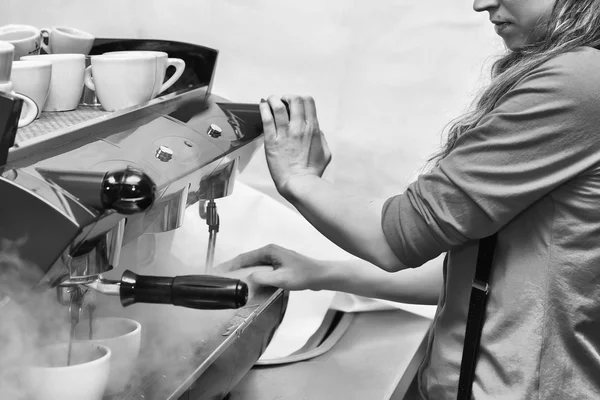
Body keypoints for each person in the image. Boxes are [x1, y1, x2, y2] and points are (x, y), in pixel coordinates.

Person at [217, 0, 600, 398]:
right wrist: (320, 274)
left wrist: (299, 178)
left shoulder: (579, 80)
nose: (479, 3)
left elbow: (398, 239)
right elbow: (491, 279)